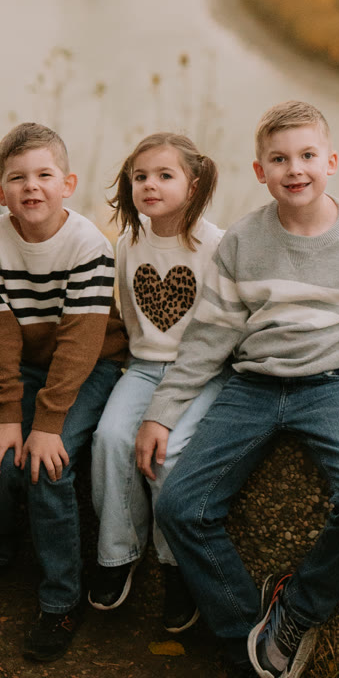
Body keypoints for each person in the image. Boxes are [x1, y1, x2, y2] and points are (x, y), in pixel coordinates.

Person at [135, 98, 339, 678]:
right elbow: (210, 337)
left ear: (330, 162)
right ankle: (252, 637)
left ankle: (295, 611)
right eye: (279, 159)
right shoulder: (245, 241)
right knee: (180, 503)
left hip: (336, 389)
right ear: (259, 170)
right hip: (251, 387)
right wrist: (162, 412)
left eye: (306, 156)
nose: (294, 169)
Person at [0, 121, 127, 661]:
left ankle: (62, 598)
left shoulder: (89, 244)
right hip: (35, 369)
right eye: (17, 178)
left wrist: (44, 425)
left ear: (68, 183)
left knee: (48, 464)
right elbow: (1, 328)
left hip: (89, 369)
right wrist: (7, 412)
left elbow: (81, 345)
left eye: (44, 175)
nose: (31, 187)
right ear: (1, 192)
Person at [86, 130, 225, 633]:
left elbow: (222, 334)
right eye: (141, 175)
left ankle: (176, 565)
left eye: (165, 175)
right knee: (111, 438)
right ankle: (119, 552)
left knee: (168, 453)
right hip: (145, 367)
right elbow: (126, 314)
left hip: (201, 372)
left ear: (193, 183)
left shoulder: (217, 246)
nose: (150, 184)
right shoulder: (128, 243)